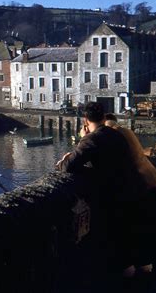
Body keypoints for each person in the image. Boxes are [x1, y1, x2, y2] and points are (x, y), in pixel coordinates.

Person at [56, 102, 141, 279]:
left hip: (109, 196)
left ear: (85, 120)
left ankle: (114, 282)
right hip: (128, 190)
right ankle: (128, 277)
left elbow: (67, 167)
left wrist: (80, 142)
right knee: (122, 239)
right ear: (103, 117)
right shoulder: (116, 135)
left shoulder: (92, 138)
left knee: (108, 237)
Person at [104, 113, 156, 281]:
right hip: (153, 183)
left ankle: (141, 278)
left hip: (141, 188)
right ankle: (154, 271)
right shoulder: (126, 131)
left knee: (136, 235)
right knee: (150, 234)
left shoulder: (115, 134)